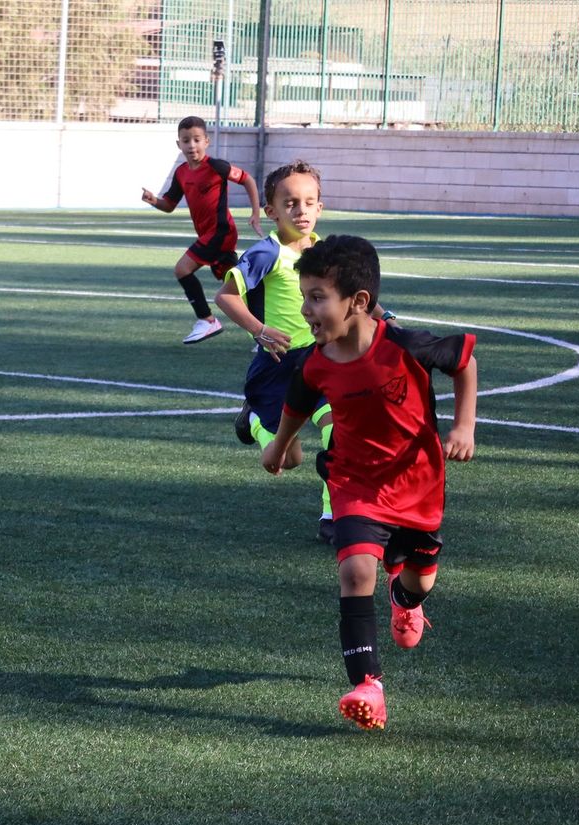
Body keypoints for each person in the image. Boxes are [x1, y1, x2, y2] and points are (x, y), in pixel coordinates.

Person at [261, 235, 477, 731]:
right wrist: (279, 445)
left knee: (419, 579)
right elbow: (297, 402)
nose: (306, 309)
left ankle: (406, 601)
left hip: (418, 486)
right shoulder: (316, 361)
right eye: (304, 296)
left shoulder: (404, 345)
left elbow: (464, 361)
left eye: (318, 297)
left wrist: (464, 426)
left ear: (358, 302)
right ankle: (368, 686)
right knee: (356, 572)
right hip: (354, 482)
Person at [215, 160, 394, 544]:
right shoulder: (267, 253)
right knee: (288, 459)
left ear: (320, 207)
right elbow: (226, 296)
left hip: (323, 360)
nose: (301, 210)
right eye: (291, 203)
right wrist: (259, 330)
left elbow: (355, 293)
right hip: (277, 365)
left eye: (309, 202)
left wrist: (386, 317)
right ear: (271, 211)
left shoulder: (326, 252)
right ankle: (255, 421)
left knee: (338, 430)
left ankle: (334, 515)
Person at [141, 115, 263, 345]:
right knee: (239, 286)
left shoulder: (216, 167)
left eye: (197, 140)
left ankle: (207, 320)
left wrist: (255, 214)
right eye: (186, 140)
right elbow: (169, 205)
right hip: (210, 235)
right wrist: (153, 200)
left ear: (206, 141)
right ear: (178, 144)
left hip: (220, 232)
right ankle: (265, 331)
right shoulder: (181, 173)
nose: (192, 145)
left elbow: (248, 180)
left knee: (182, 269)